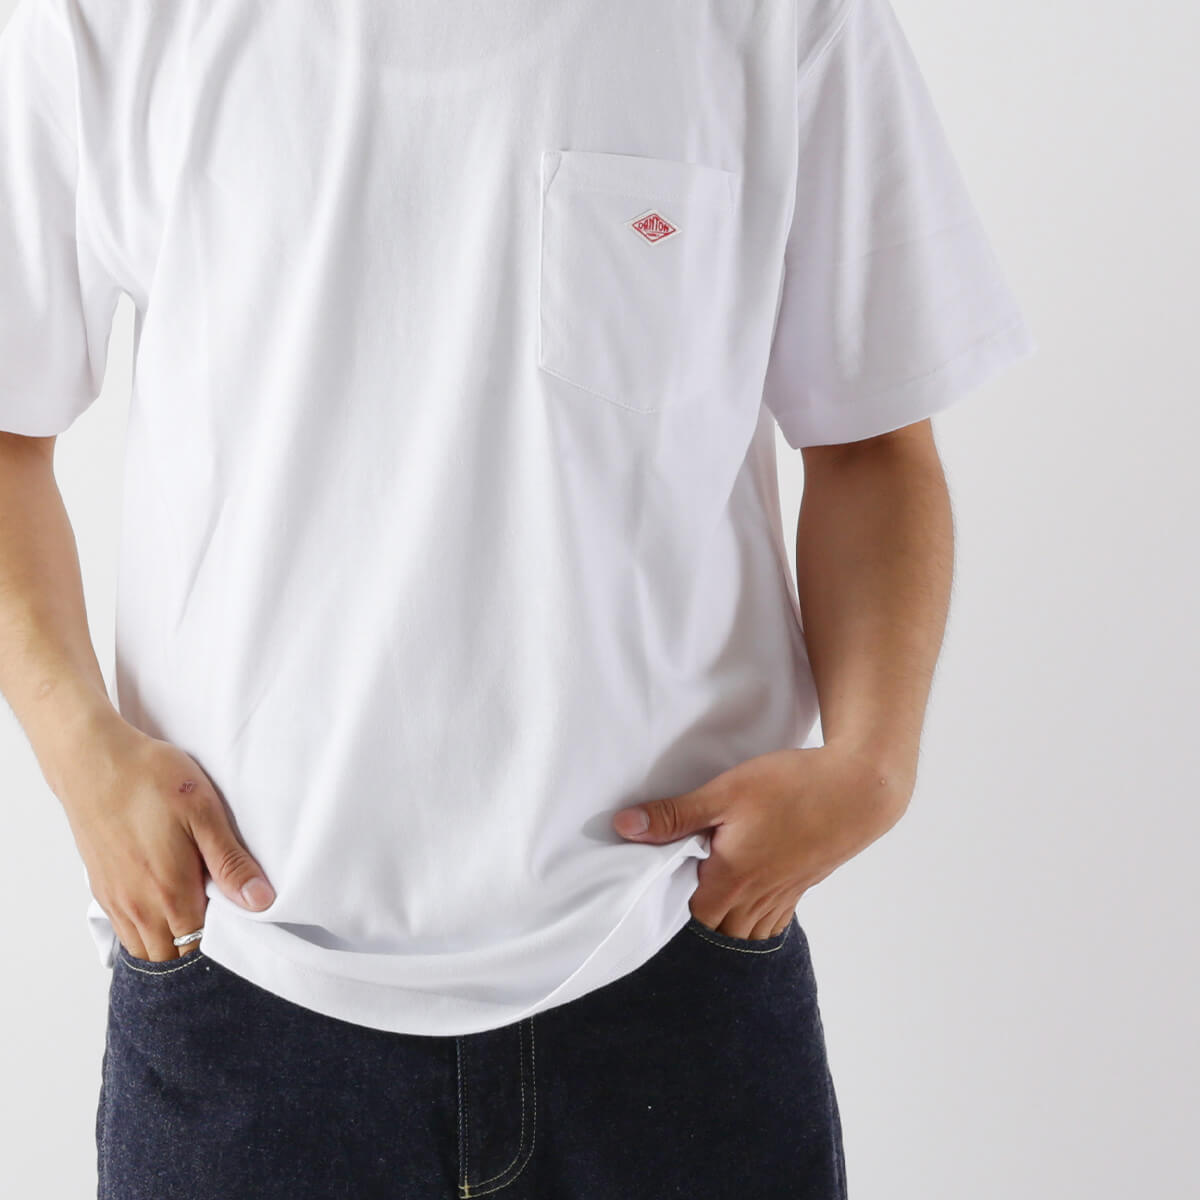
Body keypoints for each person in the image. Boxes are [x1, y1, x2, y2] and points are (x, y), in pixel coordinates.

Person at [0, 0, 1036, 1196]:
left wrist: (874, 765)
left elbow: (872, 442)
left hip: (674, 963)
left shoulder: (780, 17)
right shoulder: (101, 17)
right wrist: (82, 756)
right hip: (242, 983)